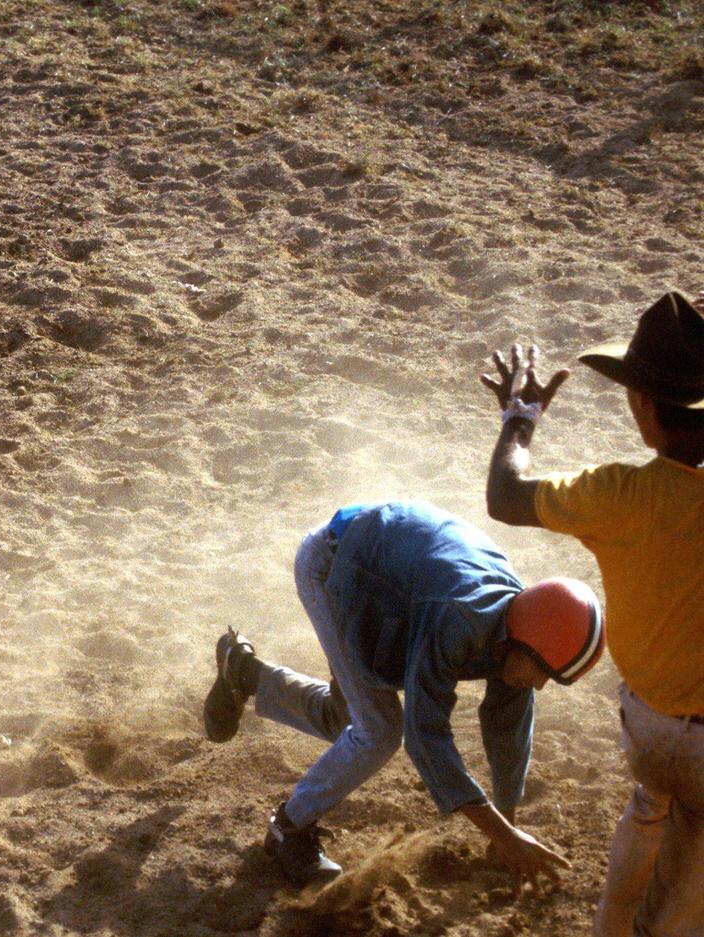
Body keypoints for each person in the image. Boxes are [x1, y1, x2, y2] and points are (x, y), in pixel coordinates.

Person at [204, 500, 605, 890]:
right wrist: (503, 836)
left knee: (351, 720)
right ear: (527, 643)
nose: (538, 685)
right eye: (543, 672)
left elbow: (507, 726)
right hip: (335, 564)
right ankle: (288, 828)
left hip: (383, 583)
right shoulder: (461, 619)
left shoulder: (517, 625)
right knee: (378, 729)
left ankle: (244, 674)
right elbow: (425, 734)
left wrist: (508, 827)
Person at [480, 291, 704, 937]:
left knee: (649, 805)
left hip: (645, 723)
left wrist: (520, 419)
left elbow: (505, 493)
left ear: (641, 404)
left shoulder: (619, 494)